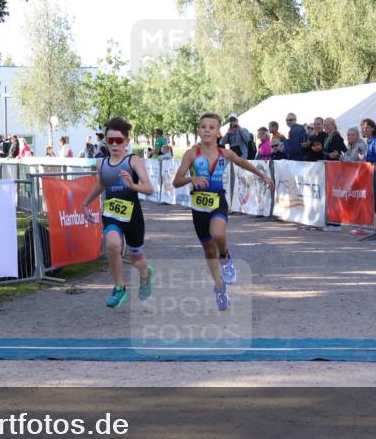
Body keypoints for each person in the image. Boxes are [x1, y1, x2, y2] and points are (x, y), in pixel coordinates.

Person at [172, 112, 274, 311]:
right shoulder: (191, 154)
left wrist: (264, 176)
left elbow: (244, 163)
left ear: (219, 132)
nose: (207, 130)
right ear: (198, 131)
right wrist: (191, 179)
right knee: (209, 250)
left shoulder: (224, 153)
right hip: (198, 207)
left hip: (218, 200)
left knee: (218, 234)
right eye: (203, 127)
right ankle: (220, 288)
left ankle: (226, 258)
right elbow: (176, 181)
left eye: (212, 127)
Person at [81, 117, 155, 308]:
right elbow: (101, 184)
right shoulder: (102, 164)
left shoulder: (133, 161)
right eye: (110, 140)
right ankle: (119, 287)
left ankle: (146, 275)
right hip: (112, 214)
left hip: (133, 216)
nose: (114, 144)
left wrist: (132, 185)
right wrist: (86, 203)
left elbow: (149, 189)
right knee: (113, 245)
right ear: (105, 141)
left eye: (118, 140)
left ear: (126, 142)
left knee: (137, 259)